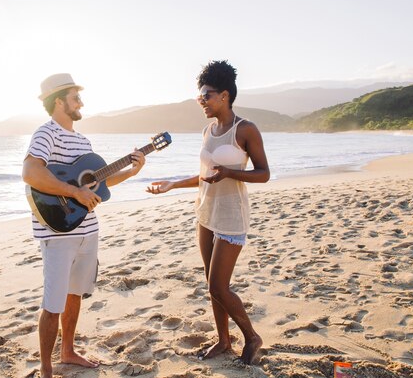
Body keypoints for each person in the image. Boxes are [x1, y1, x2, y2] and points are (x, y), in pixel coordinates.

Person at [22, 73, 146, 378]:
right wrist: (74, 191)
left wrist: (131, 171)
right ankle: (47, 368)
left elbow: (98, 183)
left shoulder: (82, 140)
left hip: (87, 228)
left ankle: (67, 351)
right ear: (59, 102)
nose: (81, 103)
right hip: (59, 231)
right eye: (76, 98)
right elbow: (30, 173)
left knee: (74, 293)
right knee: (53, 303)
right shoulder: (45, 134)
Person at [146, 60, 269, 365]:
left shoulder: (246, 129)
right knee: (212, 285)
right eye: (199, 96)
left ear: (224, 95)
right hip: (205, 213)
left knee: (218, 285)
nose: (201, 101)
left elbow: (264, 173)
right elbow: (204, 174)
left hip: (231, 216)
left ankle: (252, 337)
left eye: (206, 95)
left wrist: (229, 173)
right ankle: (224, 340)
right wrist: (174, 184)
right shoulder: (207, 130)